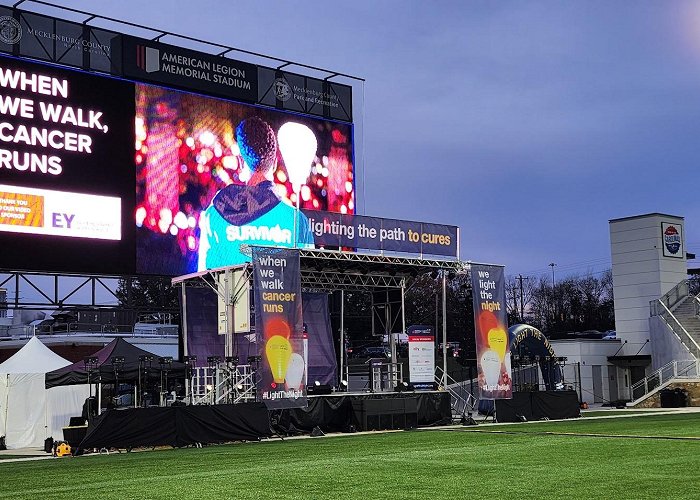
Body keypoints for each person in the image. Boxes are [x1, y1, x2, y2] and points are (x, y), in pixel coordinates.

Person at [198, 116, 314, 270]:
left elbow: (203, 283)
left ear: (240, 161)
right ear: (274, 163)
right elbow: (310, 285)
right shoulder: (297, 221)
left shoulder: (214, 214)